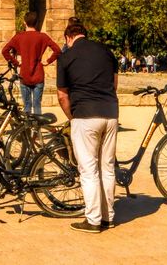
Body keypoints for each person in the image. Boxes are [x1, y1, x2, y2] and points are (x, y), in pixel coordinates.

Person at [57, 22, 119, 233]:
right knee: (107, 167)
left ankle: (93, 219)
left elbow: (62, 95)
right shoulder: (106, 51)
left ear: (68, 37)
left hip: (84, 114)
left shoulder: (66, 57)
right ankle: (108, 216)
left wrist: (72, 117)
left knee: (88, 170)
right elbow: (114, 82)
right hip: (110, 113)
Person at [1, 11, 61, 114]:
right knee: (37, 105)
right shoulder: (43, 36)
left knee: (27, 106)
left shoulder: (19, 37)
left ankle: (27, 129)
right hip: (38, 74)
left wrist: (16, 62)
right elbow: (57, 50)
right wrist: (48, 61)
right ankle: (37, 129)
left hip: (24, 75)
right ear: (37, 23)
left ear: (24, 22)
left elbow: (4, 51)